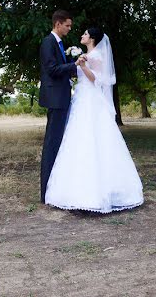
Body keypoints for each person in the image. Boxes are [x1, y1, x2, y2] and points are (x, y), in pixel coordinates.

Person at [44, 27, 144, 213]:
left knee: (92, 138)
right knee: (77, 140)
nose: (81, 35)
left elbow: (97, 80)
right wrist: (77, 66)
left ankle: (97, 193)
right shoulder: (86, 54)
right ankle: (74, 190)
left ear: (92, 38)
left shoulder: (96, 55)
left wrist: (81, 66)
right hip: (81, 98)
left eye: (85, 34)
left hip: (91, 101)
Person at [38, 9, 79, 203]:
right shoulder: (49, 42)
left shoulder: (60, 44)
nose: (70, 29)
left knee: (58, 143)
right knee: (52, 144)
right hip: (55, 99)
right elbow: (52, 70)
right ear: (58, 24)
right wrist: (74, 65)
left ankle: (55, 188)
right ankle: (46, 191)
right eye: (68, 25)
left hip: (61, 98)